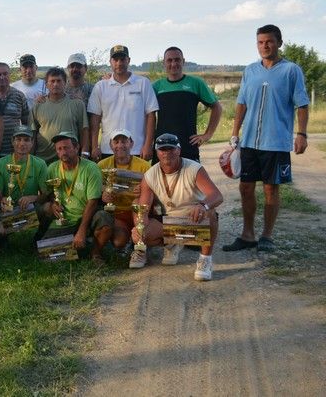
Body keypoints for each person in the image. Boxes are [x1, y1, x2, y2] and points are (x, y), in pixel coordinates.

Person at [223, 24, 309, 253]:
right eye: (260, 42)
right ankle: (247, 235)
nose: (264, 46)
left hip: (276, 142)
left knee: (271, 189)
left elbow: (302, 104)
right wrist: (235, 133)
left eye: (269, 41)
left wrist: (301, 134)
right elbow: (241, 103)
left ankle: (267, 236)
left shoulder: (291, 70)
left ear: (279, 43)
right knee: (245, 188)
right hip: (249, 142)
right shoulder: (250, 71)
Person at [132, 134, 223, 281]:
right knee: (143, 232)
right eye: (163, 149)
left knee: (210, 212)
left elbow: (217, 195)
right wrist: (139, 227)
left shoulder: (194, 169)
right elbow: (143, 208)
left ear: (179, 150)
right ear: (157, 152)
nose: (167, 153)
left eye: (171, 149)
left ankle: (205, 259)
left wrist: (202, 205)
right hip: (169, 222)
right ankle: (171, 244)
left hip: (194, 219)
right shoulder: (150, 175)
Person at [40, 133, 112, 265]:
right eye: (59, 149)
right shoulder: (52, 168)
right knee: (47, 255)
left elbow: (93, 202)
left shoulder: (91, 168)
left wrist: (82, 231)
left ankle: (95, 253)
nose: (63, 152)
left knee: (104, 218)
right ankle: (78, 244)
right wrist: (53, 203)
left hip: (87, 216)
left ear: (76, 147)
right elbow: (50, 192)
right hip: (65, 219)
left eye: (66, 148)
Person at [88, 44, 158, 161]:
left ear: (128, 60)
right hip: (108, 150)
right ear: (110, 62)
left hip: (137, 150)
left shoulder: (143, 83)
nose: (119, 63)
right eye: (115, 60)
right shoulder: (101, 86)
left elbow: (151, 115)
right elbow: (95, 119)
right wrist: (95, 146)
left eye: (122, 59)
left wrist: (147, 145)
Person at [153, 47, 222, 162]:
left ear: (183, 61)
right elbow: (148, 115)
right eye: (169, 60)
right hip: (162, 148)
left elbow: (217, 107)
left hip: (187, 146)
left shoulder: (196, 83)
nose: (173, 64)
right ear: (163, 63)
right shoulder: (156, 86)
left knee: (191, 175)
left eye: (177, 60)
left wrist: (207, 135)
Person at [0, 125, 49, 247]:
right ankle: (3, 236)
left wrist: (32, 198)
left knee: (48, 208)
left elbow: (45, 195)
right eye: (18, 139)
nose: (22, 144)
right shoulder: (0, 163)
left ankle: (39, 237)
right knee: (1, 231)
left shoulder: (40, 164)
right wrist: (2, 199)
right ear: (12, 141)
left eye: (26, 140)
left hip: (29, 207)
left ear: (32, 142)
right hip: (8, 208)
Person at [97, 129, 150, 252]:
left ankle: (138, 240)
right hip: (117, 213)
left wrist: (144, 190)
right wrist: (103, 195)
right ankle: (128, 239)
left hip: (139, 212)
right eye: (116, 142)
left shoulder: (144, 166)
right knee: (119, 242)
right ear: (110, 145)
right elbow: (96, 189)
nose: (120, 145)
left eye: (124, 141)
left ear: (131, 143)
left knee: (147, 237)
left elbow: (154, 190)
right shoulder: (102, 165)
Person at [32, 67, 88, 164]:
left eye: (59, 81)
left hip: (70, 159)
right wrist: (31, 157)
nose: (55, 84)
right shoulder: (38, 105)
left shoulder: (77, 104)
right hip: (43, 159)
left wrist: (85, 153)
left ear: (65, 83)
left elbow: (84, 130)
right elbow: (33, 133)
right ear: (46, 84)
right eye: (52, 81)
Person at [0, 62, 30, 156]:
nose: (2, 77)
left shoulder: (19, 96)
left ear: (10, 75)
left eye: (5, 74)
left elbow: (26, 123)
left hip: (14, 151)